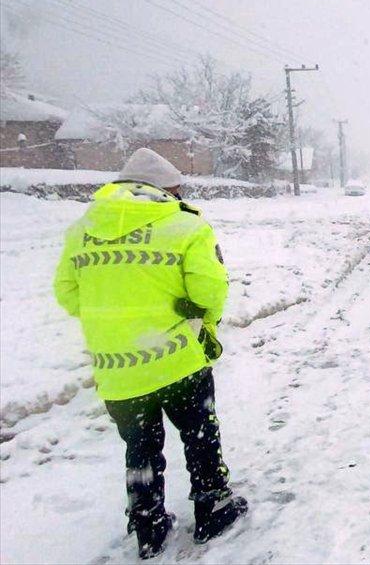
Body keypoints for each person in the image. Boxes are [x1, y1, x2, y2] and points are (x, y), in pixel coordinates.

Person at [53, 148, 248, 559]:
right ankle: (212, 505)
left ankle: (148, 522)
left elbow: (68, 295)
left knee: (140, 445)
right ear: (164, 188)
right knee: (199, 434)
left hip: (118, 369)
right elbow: (210, 290)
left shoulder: (82, 229)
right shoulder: (185, 226)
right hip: (178, 357)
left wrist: (113, 324)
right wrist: (204, 321)